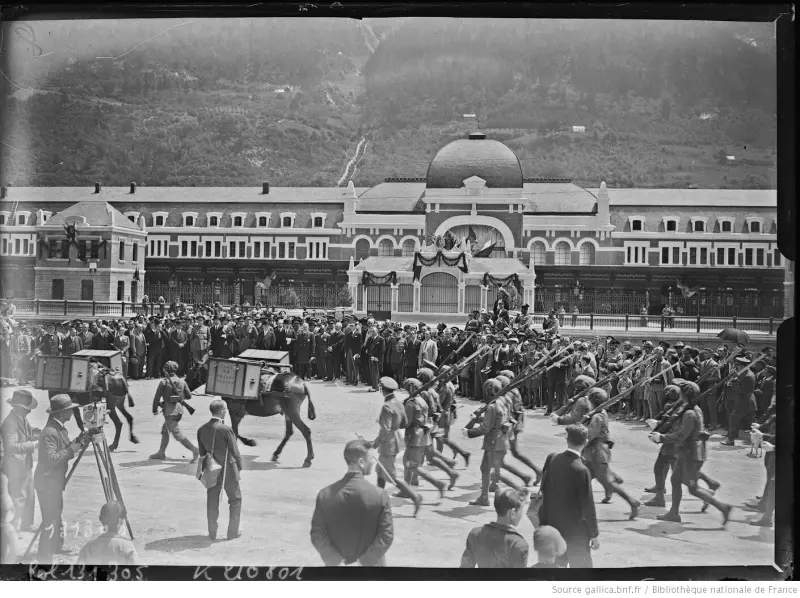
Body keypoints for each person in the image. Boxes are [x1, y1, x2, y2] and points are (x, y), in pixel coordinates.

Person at [651, 381, 733, 526]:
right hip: (686, 452)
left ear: (684, 394)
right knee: (675, 480)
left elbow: (682, 435)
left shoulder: (689, 413)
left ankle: (723, 507)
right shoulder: (692, 409)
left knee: (692, 488)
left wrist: (661, 437)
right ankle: (674, 513)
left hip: (691, 453)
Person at [310, 439, 394, 566]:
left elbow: (317, 533)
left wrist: (335, 559)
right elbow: (386, 535)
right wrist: (365, 560)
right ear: (361, 462)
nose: (372, 463)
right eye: (371, 459)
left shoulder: (325, 495)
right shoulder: (380, 495)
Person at [538, 424, 600, 568]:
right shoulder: (582, 470)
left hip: (553, 528)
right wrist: (594, 533)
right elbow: (587, 505)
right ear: (585, 443)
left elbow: (545, 492)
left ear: (567, 440)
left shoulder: (552, 459)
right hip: (576, 533)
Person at [34, 394, 86, 561]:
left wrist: (80, 440)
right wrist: (72, 450)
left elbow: (66, 447)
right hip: (47, 483)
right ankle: (44, 556)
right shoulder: (50, 432)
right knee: (50, 519)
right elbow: (51, 459)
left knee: (56, 514)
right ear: (62, 413)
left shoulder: (59, 428)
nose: (72, 413)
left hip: (54, 482)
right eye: (70, 410)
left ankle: (56, 547)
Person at [373, 377, 422, 515]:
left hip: (387, 444)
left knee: (391, 476)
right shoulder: (398, 403)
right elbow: (405, 422)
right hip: (395, 440)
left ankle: (414, 496)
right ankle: (379, 502)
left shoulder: (387, 406)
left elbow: (385, 430)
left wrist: (374, 443)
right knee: (380, 472)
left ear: (382, 390)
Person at [197, 399, 243, 541]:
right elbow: (235, 452)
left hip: (212, 469)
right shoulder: (226, 429)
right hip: (228, 469)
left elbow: (202, 454)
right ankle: (232, 533)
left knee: (212, 500)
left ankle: (212, 533)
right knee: (235, 500)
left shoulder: (201, 429)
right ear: (222, 411)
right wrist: (239, 468)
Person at [465, 379, 510, 507]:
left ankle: (484, 498)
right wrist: (478, 418)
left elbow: (485, 428)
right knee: (494, 468)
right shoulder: (502, 402)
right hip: (501, 440)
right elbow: (495, 420)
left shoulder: (491, 406)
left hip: (492, 442)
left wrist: (469, 432)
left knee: (485, 469)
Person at [460, 488, 530, 568]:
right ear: (512, 513)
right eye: (521, 510)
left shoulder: (475, 534)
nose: (522, 515)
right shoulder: (518, 544)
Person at [1, 389, 38, 532]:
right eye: (26, 409)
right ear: (17, 407)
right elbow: (11, 447)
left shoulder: (22, 418)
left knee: (29, 495)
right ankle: (12, 529)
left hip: (25, 464)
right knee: (18, 499)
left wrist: (35, 433)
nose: (28, 412)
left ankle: (27, 524)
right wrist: (33, 445)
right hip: (15, 467)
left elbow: (28, 431)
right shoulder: (9, 423)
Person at [150, 361, 199, 462]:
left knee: (177, 434)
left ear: (166, 370)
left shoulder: (163, 382)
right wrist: (178, 398)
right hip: (179, 410)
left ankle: (194, 450)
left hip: (169, 412)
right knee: (165, 430)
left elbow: (156, 398)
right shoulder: (182, 381)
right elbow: (188, 396)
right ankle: (161, 452)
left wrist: (154, 409)